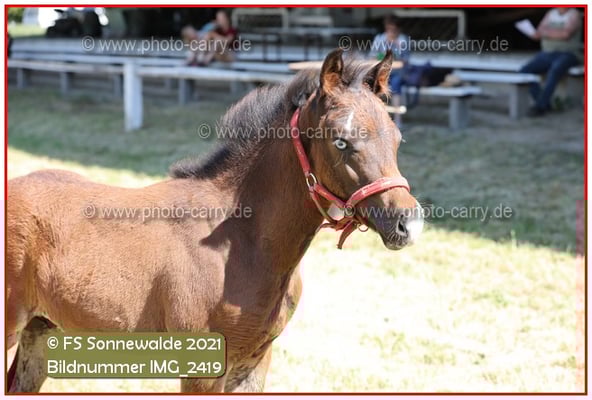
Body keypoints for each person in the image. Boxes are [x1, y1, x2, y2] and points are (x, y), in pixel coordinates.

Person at [519, 7, 582, 117]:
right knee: (525, 71)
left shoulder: (574, 14)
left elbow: (566, 34)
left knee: (555, 69)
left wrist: (546, 32)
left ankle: (540, 107)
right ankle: (544, 103)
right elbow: (538, 32)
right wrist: (556, 33)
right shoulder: (551, 13)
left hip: (568, 53)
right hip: (547, 53)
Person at [369, 15, 410, 125]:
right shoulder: (380, 39)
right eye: (389, 29)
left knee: (396, 84)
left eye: (394, 30)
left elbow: (404, 62)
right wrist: (384, 60)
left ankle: (397, 119)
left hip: (398, 73)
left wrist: (386, 61)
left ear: (398, 29)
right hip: (382, 72)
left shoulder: (402, 40)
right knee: (374, 86)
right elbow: (372, 58)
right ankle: (378, 118)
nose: (391, 32)